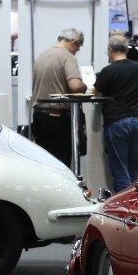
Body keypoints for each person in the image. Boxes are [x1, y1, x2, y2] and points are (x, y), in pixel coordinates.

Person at [93, 34, 138, 192]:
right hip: (136, 121)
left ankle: (125, 203)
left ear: (110, 49)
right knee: (133, 167)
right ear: (126, 50)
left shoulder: (108, 71)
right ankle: (136, 199)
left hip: (116, 121)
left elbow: (96, 94)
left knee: (120, 169)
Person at [31, 28, 86, 170]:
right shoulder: (67, 57)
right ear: (74, 42)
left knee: (43, 163)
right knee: (60, 164)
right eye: (78, 48)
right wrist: (84, 86)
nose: (77, 51)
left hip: (38, 116)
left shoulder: (42, 56)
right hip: (58, 118)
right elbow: (75, 86)